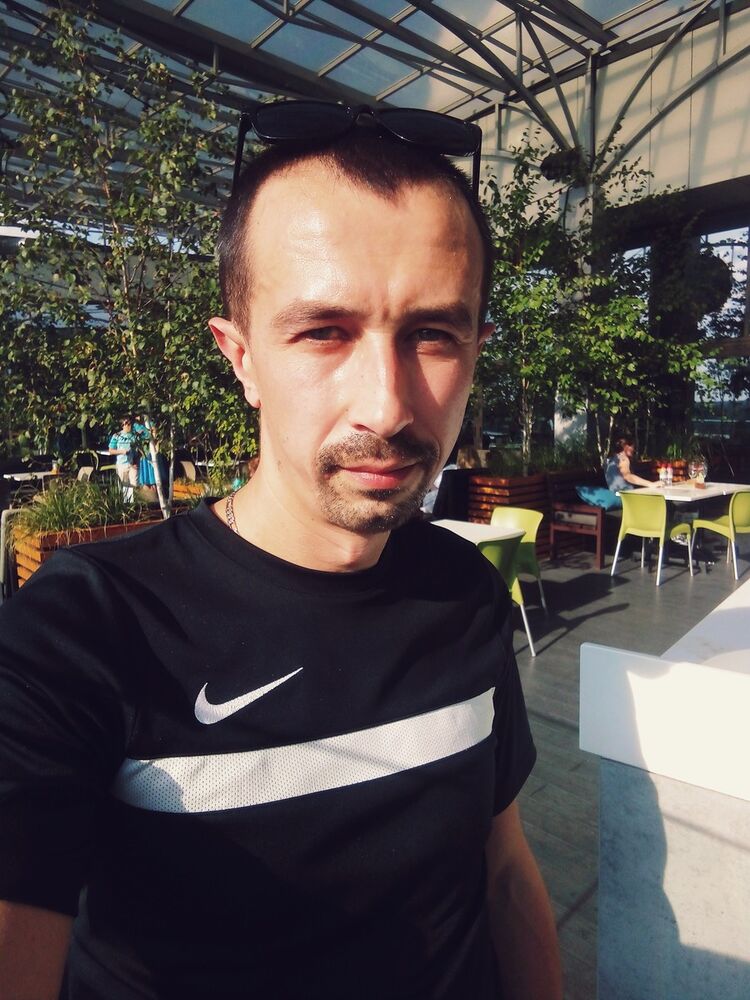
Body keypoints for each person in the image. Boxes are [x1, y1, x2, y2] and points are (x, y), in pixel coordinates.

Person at [0, 103, 561, 1000]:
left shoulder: (466, 592)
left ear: (475, 350)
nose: (387, 405)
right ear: (242, 357)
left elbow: (502, 872)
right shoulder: (82, 637)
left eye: (432, 334)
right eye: (323, 332)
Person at [107, 415, 141, 488]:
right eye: (127, 424)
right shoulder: (117, 436)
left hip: (132, 464)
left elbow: (139, 451)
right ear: (122, 425)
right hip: (122, 464)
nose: (129, 426)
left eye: (130, 424)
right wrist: (122, 452)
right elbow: (111, 451)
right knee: (125, 486)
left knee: (135, 485)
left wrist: (136, 462)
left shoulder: (134, 436)